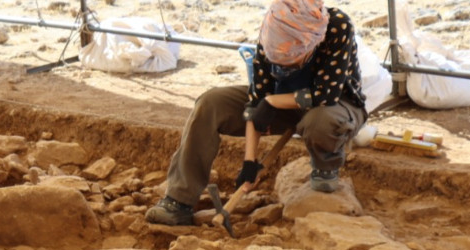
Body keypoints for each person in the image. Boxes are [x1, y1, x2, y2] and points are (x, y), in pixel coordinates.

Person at [146, 0, 367, 226]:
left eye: (291, 62)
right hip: (282, 105)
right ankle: (178, 201)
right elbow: (256, 102)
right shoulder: (273, 27)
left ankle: (325, 165)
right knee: (210, 103)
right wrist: (249, 163)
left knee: (320, 121)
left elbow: (326, 94)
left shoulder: (337, 26)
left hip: (335, 106)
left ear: (311, 43)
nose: (285, 68)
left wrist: (271, 101)